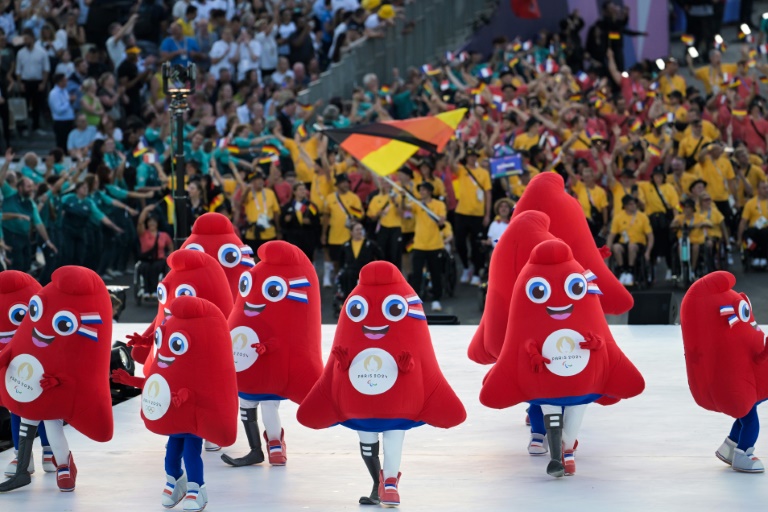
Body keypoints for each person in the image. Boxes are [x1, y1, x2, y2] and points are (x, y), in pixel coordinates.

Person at [451, 148, 491, 286]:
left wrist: (487, 214)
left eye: (474, 156)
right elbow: (451, 165)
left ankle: (476, 272)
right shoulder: (462, 170)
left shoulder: (483, 173)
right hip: (461, 212)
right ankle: (466, 267)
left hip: (477, 214)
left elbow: (488, 194)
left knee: (477, 244)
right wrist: (458, 153)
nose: (472, 158)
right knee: (460, 243)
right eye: (470, 156)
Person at [2, 177, 57, 272]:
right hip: (11, 236)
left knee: (26, 264)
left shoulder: (31, 203)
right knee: (16, 266)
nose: (31, 189)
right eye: (28, 187)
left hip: (24, 237)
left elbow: (38, 223)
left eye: (32, 186)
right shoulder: (10, 194)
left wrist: (48, 241)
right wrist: (7, 162)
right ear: (20, 188)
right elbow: (1, 179)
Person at [408, 182, 447, 312]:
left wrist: (441, 219)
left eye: (424, 190)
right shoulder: (416, 203)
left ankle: (436, 299)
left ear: (429, 191)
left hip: (435, 245)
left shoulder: (439, 204)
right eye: (421, 190)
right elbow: (405, 210)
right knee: (416, 274)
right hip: (419, 244)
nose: (422, 192)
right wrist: (402, 198)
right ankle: (414, 301)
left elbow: (442, 218)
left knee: (436, 273)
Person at [322, 173, 363, 286]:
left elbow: (359, 215)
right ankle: (338, 280)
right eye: (343, 182)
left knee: (350, 261)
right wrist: (324, 234)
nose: (346, 185)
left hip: (349, 236)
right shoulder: (330, 198)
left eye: (347, 182)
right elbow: (326, 216)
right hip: (335, 235)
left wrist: (353, 221)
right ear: (338, 184)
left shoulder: (354, 198)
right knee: (335, 260)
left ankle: (352, 281)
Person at [639, 166, 679, 281]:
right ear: (652, 177)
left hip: (665, 219)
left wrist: (676, 219)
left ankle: (671, 269)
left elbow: (675, 205)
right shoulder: (646, 186)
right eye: (656, 176)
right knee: (652, 245)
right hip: (651, 220)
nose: (658, 178)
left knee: (668, 245)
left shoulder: (669, 188)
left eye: (660, 176)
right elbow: (633, 181)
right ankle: (651, 270)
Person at [606, 195, 653, 287]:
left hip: (638, 244)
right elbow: (611, 236)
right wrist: (607, 253)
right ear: (625, 206)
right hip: (624, 243)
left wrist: (648, 252)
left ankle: (630, 271)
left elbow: (650, 236)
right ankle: (623, 270)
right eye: (631, 204)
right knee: (616, 247)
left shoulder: (642, 217)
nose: (633, 206)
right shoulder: (618, 217)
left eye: (634, 203)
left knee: (632, 246)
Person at [15, 28, 50, 135]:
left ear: (33, 38)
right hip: (25, 82)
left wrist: (43, 83)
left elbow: (46, 69)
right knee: (24, 105)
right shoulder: (20, 53)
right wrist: (20, 83)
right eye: (24, 39)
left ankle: (36, 127)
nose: (26, 41)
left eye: (27, 38)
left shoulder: (42, 52)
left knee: (36, 105)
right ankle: (24, 127)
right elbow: (18, 70)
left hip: (38, 82)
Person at [137, 204, 174, 300]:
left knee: (156, 267)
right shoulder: (144, 233)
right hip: (146, 259)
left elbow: (171, 248)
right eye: (150, 222)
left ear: (157, 223)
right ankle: (146, 290)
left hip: (159, 259)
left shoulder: (164, 235)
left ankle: (154, 290)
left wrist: (169, 257)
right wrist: (145, 210)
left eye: (154, 222)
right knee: (144, 268)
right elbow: (140, 222)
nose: (152, 224)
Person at [336, 221, 382, 299]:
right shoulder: (346, 245)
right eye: (357, 230)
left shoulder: (370, 244)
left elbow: (380, 256)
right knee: (346, 275)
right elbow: (341, 261)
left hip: (366, 271)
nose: (359, 231)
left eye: (361, 229)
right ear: (351, 232)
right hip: (351, 273)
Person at [671, 197, 713, 279]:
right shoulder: (680, 217)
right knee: (679, 246)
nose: (686, 210)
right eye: (685, 207)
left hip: (696, 241)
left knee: (696, 247)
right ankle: (683, 268)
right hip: (683, 241)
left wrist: (702, 224)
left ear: (692, 208)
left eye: (688, 207)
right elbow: (672, 224)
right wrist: (676, 224)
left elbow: (709, 223)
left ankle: (692, 269)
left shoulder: (699, 217)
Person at [366, 178, 403, 269]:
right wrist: (378, 214)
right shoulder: (376, 198)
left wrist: (395, 202)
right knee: (382, 253)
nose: (386, 185)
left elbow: (401, 214)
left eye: (388, 183)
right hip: (383, 228)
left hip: (395, 227)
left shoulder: (397, 196)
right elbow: (371, 217)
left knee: (395, 254)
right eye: (383, 183)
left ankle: (395, 277)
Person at [280, 181, 320, 261]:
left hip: (308, 239)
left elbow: (317, 221)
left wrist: (310, 222)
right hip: (293, 239)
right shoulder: (288, 206)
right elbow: (282, 223)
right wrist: (286, 220)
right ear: (294, 192)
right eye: (300, 189)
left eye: (304, 189)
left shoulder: (311, 206)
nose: (303, 191)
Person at [738, 180, 768, 268]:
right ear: (758, 190)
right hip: (754, 230)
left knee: (765, 232)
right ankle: (754, 256)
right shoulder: (751, 203)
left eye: (767, 188)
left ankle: (763, 257)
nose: (766, 190)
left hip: (766, 230)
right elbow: (743, 221)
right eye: (764, 188)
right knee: (748, 234)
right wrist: (739, 238)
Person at [48, 74, 76, 151]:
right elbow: (58, 110)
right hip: (61, 122)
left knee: (69, 143)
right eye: (65, 80)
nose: (67, 82)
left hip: (69, 120)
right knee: (62, 143)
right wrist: (69, 101)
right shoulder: (54, 93)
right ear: (60, 81)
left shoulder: (65, 91)